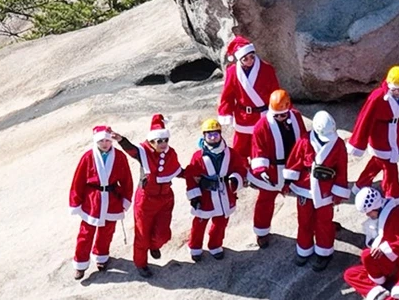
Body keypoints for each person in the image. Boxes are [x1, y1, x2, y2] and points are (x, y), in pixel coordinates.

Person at [113, 114, 184, 277]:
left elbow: (178, 171)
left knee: (163, 234)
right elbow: (131, 149)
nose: (163, 144)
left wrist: (196, 175)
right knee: (142, 235)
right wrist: (120, 139)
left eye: (165, 140)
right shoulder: (143, 153)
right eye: (159, 141)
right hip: (145, 201)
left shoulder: (171, 153)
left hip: (166, 199)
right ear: (151, 141)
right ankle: (141, 264)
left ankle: (154, 245)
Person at [285, 109, 351, 270]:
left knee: (324, 222)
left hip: (326, 188)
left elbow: (342, 169)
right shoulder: (305, 140)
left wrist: (338, 191)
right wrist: (288, 181)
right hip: (305, 187)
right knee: (304, 221)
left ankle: (324, 253)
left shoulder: (338, 144)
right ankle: (304, 249)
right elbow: (295, 160)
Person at [69, 124, 134, 280]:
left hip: (112, 199)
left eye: (107, 140)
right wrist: (75, 202)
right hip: (92, 201)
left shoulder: (120, 156)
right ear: (95, 141)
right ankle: (80, 264)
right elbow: (78, 181)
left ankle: (101, 256)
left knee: (107, 232)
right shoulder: (87, 157)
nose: (105, 144)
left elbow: (127, 180)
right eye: (101, 141)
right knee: (86, 233)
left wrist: (125, 199)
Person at [349, 65, 399, 199]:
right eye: (394, 89)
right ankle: (393, 194)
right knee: (389, 166)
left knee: (377, 162)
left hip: (397, 132)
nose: (398, 92)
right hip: (380, 134)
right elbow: (365, 119)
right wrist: (358, 143)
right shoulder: (377, 97)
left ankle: (361, 184)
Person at [249, 88, 306, 248]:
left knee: (306, 199)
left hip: (296, 166)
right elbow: (258, 149)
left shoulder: (296, 117)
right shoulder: (261, 126)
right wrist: (261, 170)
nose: (280, 118)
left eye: (283, 115)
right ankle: (261, 231)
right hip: (273, 170)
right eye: (277, 115)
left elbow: (303, 138)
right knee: (265, 201)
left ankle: (313, 226)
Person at [185, 117, 248, 261]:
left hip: (224, 193)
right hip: (205, 195)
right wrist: (194, 196)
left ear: (220, 134)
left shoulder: (231, 153)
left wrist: (235, 179)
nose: (213, 137)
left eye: (216, 134)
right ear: (204, 136)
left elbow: (240, 169)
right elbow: (190, 176)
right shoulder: (198, 156)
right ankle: (195, 247)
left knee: (220, 223)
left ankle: (215, 245)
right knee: (199, 223)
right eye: (209, 134)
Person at [343, 185, 399, 297]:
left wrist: (382, 250)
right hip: (384, 266)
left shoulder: (397, 215)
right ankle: (380, 292)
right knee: (350, 274)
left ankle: (381, 290)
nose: (367, 215)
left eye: (369, 212)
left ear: (375, 207)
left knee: (366, 255)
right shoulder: (378, 218)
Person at [217, 35, 280, 160]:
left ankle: (263, 167)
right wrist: (226, 112)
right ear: (239, 59)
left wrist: (278, 109)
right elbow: (228, 95)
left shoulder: (267, 69)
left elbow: (275, 92)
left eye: (252, 56)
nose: (250, 60)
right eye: (245, 59)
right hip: (243, 115)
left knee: (264, 144)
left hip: (263, 114)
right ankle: (241, 168)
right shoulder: (232, 72)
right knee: (241, 147)